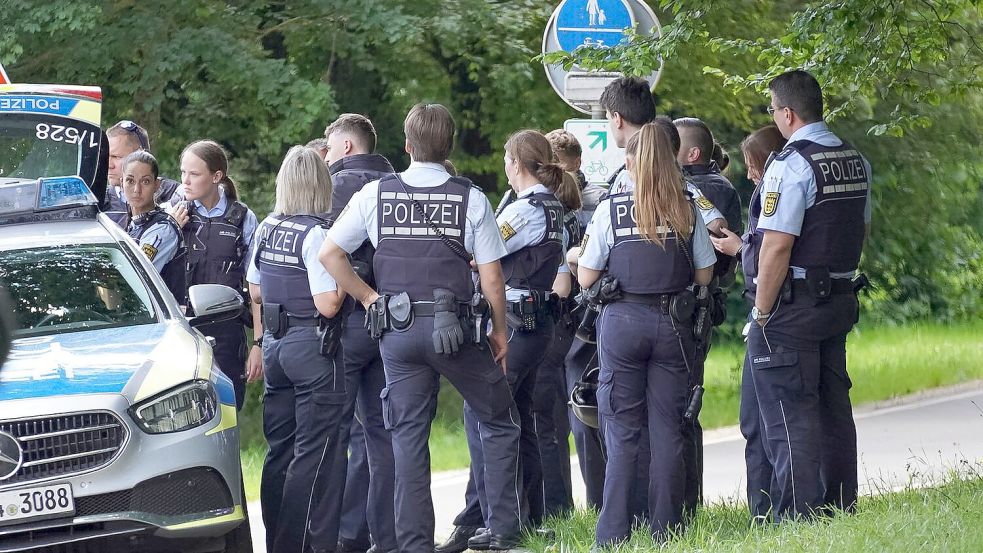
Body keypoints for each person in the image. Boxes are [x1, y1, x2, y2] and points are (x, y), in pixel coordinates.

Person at [319, 103, 522, 553]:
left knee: (407, 438)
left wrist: (370, 298)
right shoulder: (471, 198)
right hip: (457, 332)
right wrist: (500, 330)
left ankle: (413, 545)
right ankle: (504, 530)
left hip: (398, 330)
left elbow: (330, 255)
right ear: (447, 146)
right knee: (498, 418)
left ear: (407, 146)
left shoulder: (375, 194)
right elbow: (491, 277)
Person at [732, 70, 871, 523]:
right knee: (833, 405)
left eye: (773, 109)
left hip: (793, 305)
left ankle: (799, 515)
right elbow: (859, 228)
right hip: (839, 298)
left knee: (791, 410)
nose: (774, 116)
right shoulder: (855, 159)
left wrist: (763, 311)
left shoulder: (792, 165)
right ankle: (839, 504)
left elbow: (775, 245)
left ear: (787, 114)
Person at [579, 121, 716, 547]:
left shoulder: (612, 208)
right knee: (668, 430)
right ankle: (666, 530)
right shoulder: (687, 207)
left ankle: (614, 533)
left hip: (622, 323)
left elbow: (586, 275)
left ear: (636, 161)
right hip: (673, 325)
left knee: (621, 431)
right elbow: (705, 272)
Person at [440, 130, 566, 553]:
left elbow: (482, 252)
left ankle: (494, 521)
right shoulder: (553, 205)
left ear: (516, 163)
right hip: (538, 321)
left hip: (514, 321)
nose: (505, 168)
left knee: (484, 417)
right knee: (519, 418)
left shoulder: (527, 209)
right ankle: (524, 516)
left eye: (507, 160)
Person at [246, 146, 347, 553]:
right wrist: (348, 280)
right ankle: (302, 545)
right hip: (311, 347)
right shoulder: (316, 233)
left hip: (274, 345)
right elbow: (328, 303)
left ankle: (276, 542)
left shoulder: (267, 226)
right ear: (320, 185)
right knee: (314, 455)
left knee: (279, 452)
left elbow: (254, 288)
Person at [316, 113, 398, 553]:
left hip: (345, 320)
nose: (325, 156)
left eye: (328, 148)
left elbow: (322, 255)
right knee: (383, 436)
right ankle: (382, 537)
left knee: (333, 434)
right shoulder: (401, 187)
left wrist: (361, 296)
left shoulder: (331, 187)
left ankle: (335, 538)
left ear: (345, 147)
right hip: (393, 326)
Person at [710, 124, 786, 519]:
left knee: (759, 420)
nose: (751, 173)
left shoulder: (773, 190)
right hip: (769, 312)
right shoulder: (769, 187)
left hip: (768, 314)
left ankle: (768, 509)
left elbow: (768, 252)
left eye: (753, 165)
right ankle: (767, 508)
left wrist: (739, 248)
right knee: (757, 419)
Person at [181, 139, 258, 410]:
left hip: (228, 330)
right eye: (183, 173)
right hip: (185, 328)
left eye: (194, 174)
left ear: (216, 177)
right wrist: (171, 227)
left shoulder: (243, 218)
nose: (185, 181)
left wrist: (258, 344)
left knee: (228, 409)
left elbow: (256, 284)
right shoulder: (175, 214)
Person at [531, 170, 583, 518]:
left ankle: (554, 508)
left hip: (550, 321)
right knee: (552, 421)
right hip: (568, 325)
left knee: (543, 420)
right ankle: (557, 505)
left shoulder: (549, 224)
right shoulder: (571, 220)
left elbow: (561, 284)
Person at [121, 151, 187, 302]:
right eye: (130, 181)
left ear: (157, 185)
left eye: (145, 182)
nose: (136, 189)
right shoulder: (130, 225)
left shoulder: (163, 229)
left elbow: (135, 279)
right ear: (121, 182)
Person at [105, 120, 182, 227]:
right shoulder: (97, 201)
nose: (109, 165)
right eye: (105, 156)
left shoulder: (174, 195)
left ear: (140, 155)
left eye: (117, 157)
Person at [545, 129, 606, 230]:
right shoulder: (537, 199)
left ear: (577, 163)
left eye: (557, 164)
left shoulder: (602, 199)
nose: (551, 170)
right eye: (547, 164)